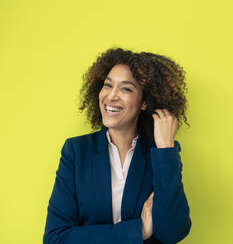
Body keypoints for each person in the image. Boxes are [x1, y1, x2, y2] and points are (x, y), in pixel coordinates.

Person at [43, 47, 192, 244]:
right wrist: (138, 230)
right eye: (107, 85)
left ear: (144, 102)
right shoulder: (77, 152)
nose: (111, 96)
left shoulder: (161, 154)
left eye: (126, 88)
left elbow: (172, 232)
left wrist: (165, 148)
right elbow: (56, 239)